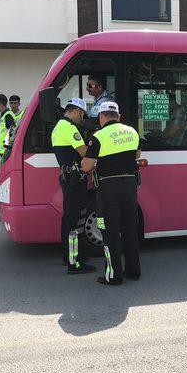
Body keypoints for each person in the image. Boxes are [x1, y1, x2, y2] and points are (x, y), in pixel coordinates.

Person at [81, 101, 141, 286]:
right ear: (119, 117)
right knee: (130, 229)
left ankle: (114, 275)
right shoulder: (132, 132)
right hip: (130, 186)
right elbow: (137, 154)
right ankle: (134, 271)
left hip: (108, 189)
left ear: (101, 117)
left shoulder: (98, 136)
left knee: (109, 232)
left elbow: (86, 166)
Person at [51, 98, 96, 275]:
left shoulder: (58, 127)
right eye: (82, 115)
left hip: (67, 177)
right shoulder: (69, 128)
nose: (82, 118)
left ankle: (68, 255)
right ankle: (74, 262)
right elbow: (83, 152)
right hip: (75, 179)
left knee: (69, 217)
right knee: (75, 220)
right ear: (77, 111)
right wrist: (96, 146)